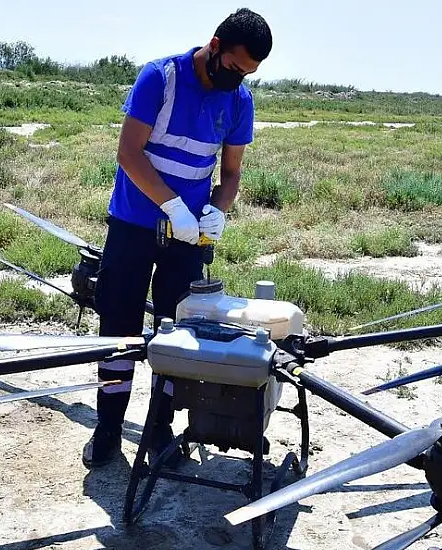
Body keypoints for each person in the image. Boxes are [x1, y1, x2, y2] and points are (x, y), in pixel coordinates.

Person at [83, 8, 273, 468]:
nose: (236, 80)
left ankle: (159, 429)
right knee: (118, 329)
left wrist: (218, 212)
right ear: (214, 45)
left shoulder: (239, 101)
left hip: (187, 239)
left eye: (247, 75)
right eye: (233, 68)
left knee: (179, 336)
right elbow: (129, 153)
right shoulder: (160, 78)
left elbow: (231, 172)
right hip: (133, 226)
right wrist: (171, 205)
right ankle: (108, 427)